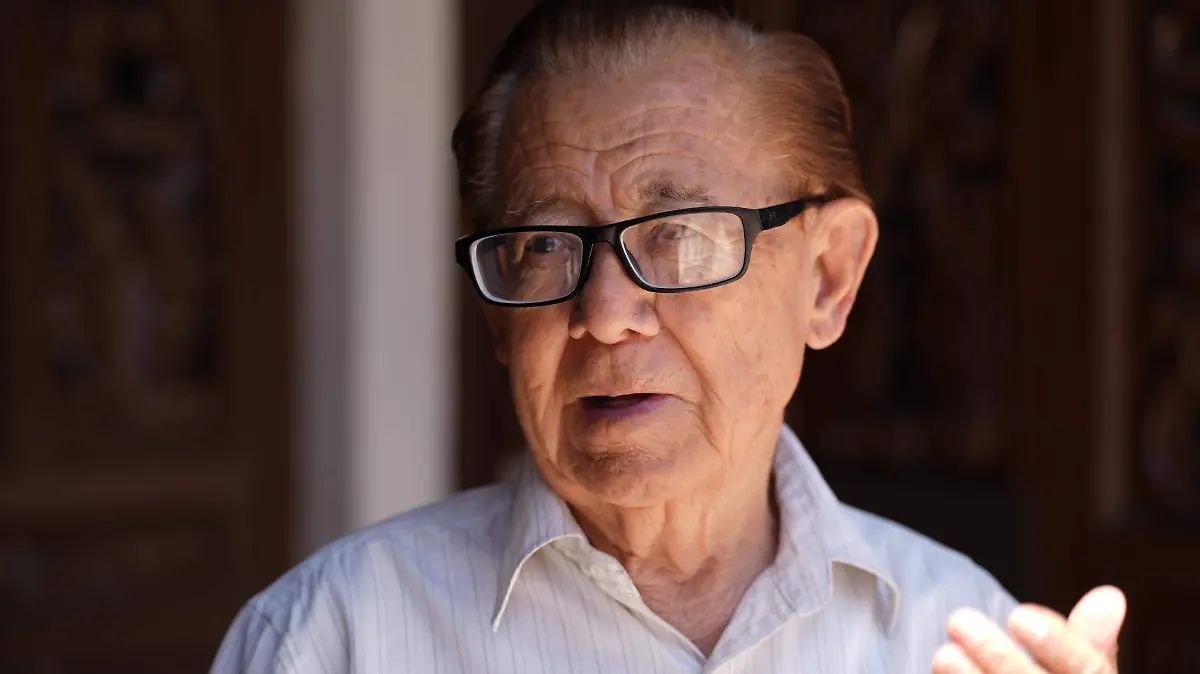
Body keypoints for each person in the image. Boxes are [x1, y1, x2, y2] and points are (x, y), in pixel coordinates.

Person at [211, 1, 1127, 672]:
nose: (606, 313)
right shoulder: (332, 641)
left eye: (680, 237)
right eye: (544, 246)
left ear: (828, 278)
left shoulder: (958, 633)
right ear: (498, 314)